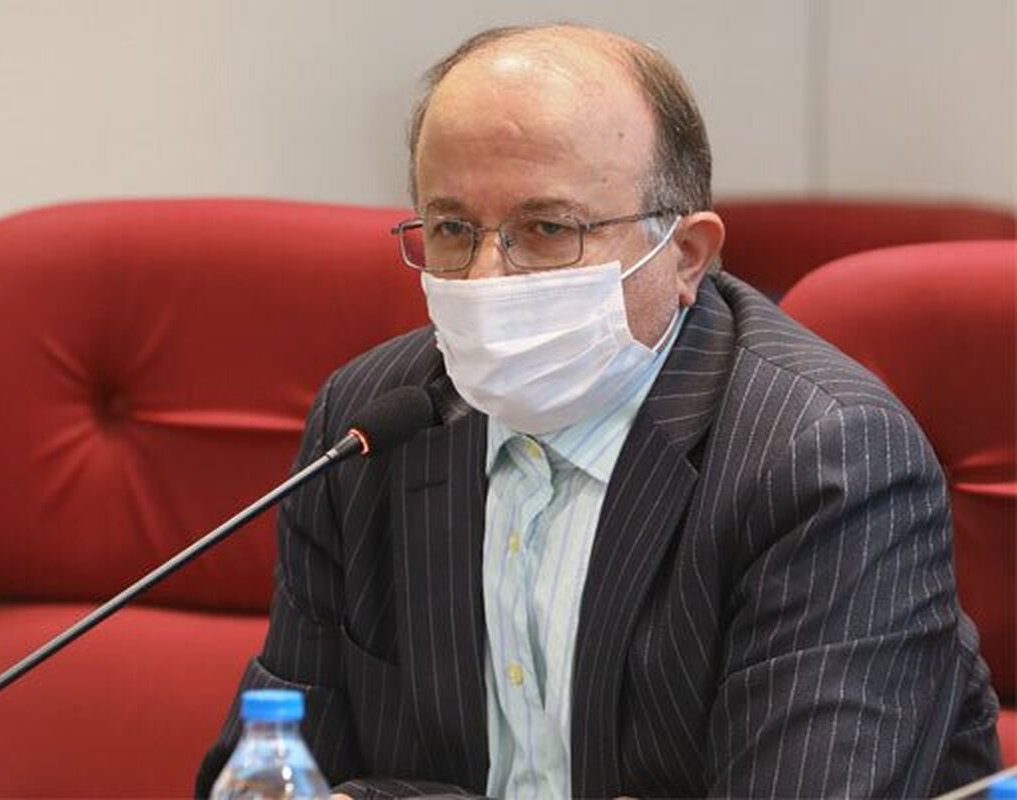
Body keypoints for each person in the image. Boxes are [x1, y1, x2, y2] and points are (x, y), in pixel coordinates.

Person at [197, 23, 1000, 799]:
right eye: (452, 228)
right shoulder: (370, 424)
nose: (485, 278)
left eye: (547, 228)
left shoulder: (825, 458)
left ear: (685, 255)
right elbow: (270, 773)